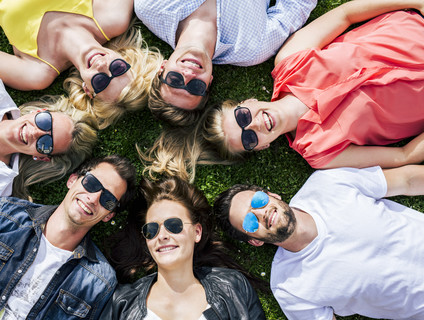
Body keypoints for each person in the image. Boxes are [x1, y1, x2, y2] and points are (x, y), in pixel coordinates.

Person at [204, 0, 424, 169]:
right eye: (249, 138)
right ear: (262, 146)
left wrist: (415, 2)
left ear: (248, 102)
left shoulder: (289, 60)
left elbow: (345, 15)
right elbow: (403, 155)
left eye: (243, 116)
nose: (253, 126)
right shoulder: (320, 153)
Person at [213, 164, 424, 319]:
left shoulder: (326, 184)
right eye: (250, 221)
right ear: (255, 241)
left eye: (258, 201)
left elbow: (406, 180)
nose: (261, 213)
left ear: (272, 194)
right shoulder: (289, 288)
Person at [0, 155, 137, 319]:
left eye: (108, 200)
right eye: (92, 183)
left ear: (109, 215)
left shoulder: (98, 282)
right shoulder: (4, 215)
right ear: (72, 180)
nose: (93, 198)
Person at [0, 54, 98, 238]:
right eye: (44, 122)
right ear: (39, 112)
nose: (36, 133)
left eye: (46, 143)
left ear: (41, 156)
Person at [0, 0, 163, 129]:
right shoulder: (112, 17)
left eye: (100, 81)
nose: (103, 67)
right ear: (125, 59)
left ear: (88, 89)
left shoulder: (36, 72)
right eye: (117, 69)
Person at [102, 176, 267, 319]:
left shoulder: (233, 286)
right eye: (151, 230)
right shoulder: (122, 304)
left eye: (174, 225)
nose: (162, 235)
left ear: (197, 232)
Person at [135, 0, 317, 126]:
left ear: (162, 68)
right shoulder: (252, 48)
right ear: (209, 82)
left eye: (174, 80)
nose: (188, 75)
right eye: (196, 87)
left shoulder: (151, 7)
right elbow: (298, 4)